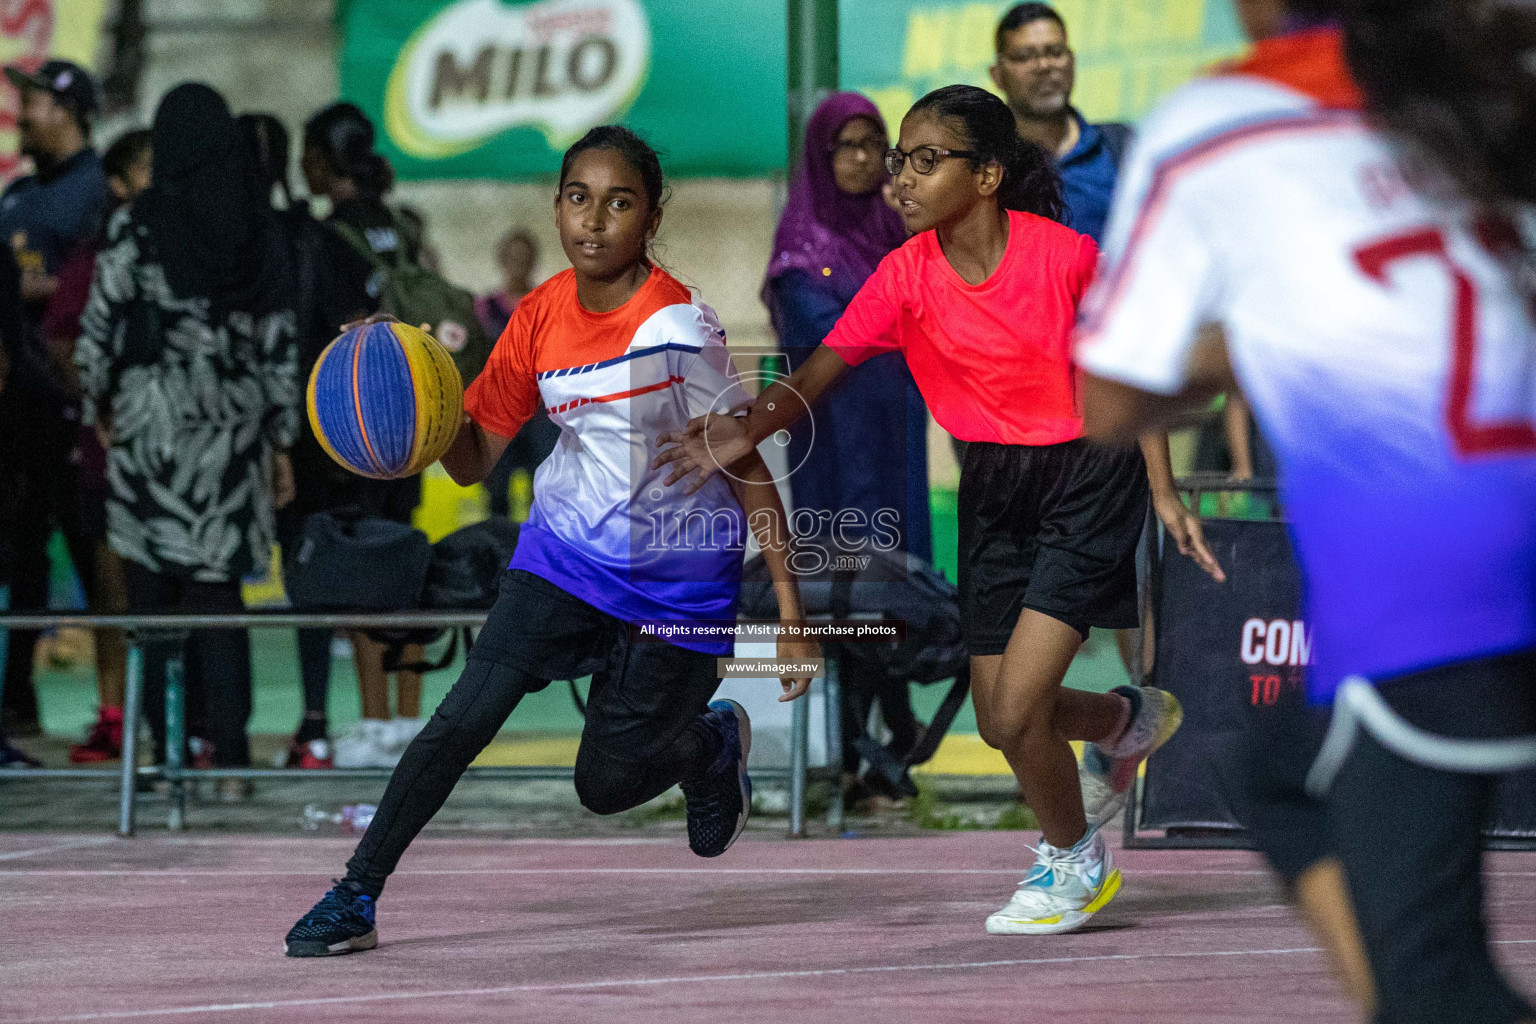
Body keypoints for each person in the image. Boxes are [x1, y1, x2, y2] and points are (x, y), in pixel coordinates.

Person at [655, 85, 1222, 935]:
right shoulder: (903, 277)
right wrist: (740, 432)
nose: (902, 179)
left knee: (1019, 707)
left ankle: (1076, 863)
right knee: (999, 718)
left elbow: (1126, 373)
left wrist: (1166, 490)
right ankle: (1120, 719)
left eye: (926, 161)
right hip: (994, 485)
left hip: (1087, 475)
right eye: (899, 162)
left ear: (987, 174)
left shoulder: (1065, 257)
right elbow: (811, 380)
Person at [1073, 2, 1536, 1020]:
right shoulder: (1490, 85)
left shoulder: (1223, 119)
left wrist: (1256, 331)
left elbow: (1107, 399)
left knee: (1442, 979)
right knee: (1279, 769)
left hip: (1449, 567)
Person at [284, 126, 817, 957]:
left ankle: (706, 741)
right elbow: (471, 459)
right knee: (460, 720)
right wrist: (414, 391)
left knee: (604, 786)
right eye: (578, 198)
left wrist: (789, 610)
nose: (594, 221)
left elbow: (743, 456)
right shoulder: (537, 315)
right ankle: (355, 893)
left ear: (651, 217)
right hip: (563, 556)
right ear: (558, 206)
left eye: (619, 202)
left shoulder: (678, 326)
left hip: (675, 578)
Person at [74, 83, 298, 800]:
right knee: (219, 596)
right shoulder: (255, 225)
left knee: (150, 592)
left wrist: (98, 400)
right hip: (230, 431)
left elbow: (101, 323)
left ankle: (164, 757)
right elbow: (279, 343)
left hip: (151, 423)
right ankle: (229, 759)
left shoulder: (139, 222)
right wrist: (281, 438)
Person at [763, 91, 930, 791]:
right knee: (847, 591)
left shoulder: (897, 232)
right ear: (820, 156)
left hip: (896, 443)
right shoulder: (800, 255)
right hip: (834, 452)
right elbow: (834, 344)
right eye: (848, 146)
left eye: (874, 145)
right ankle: (869, 744)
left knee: (898, 586)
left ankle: (889, 735)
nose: (864, 160)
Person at [299, 101, 427, 768]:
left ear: (324, 162)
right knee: (405, 566)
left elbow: (339, 334)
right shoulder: (401, 227)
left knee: (361, 571)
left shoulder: (324, 239)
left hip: (356, 427)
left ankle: (374, 723)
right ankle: (406, 723)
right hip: (415, 420)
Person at [0, 59, 109, 737]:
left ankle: (117, 713)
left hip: (84, 409)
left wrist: (31, 293)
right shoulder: (15, 195)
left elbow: (102, 289)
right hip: (21, 414)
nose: (22, 114)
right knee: (22, 556)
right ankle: (16, 698)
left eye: (33, 102)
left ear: (66, 109)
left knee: (100, 558)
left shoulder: (97, 191)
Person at [40, 127, 152, 764]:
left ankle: (176, 725)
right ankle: (114, 715)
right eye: (146, 170)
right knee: (114, 589)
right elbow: (61, 344)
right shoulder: (95, 259)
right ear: (118, 183)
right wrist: (105, 404)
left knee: (171, 593)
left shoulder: (191, 250)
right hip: (110, 456)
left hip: (175, 464)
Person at [240, 111, 337, 770]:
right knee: (306, 580)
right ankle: (313, 722)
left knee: (216, 581)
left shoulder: (234, 242)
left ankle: (215, 733)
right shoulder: (311, 236)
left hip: (254, 437)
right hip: (308, 434)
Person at [477, 226, 559, 520]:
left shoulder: (549, 307)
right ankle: (499, 556)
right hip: (500, 421)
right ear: (501, 260)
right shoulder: (483, 309)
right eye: (512, 256)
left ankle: (539, 560)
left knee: (545, 497)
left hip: (542, 418)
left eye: (524, 256)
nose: (518, 262)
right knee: (497, 497)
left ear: (533, 260)